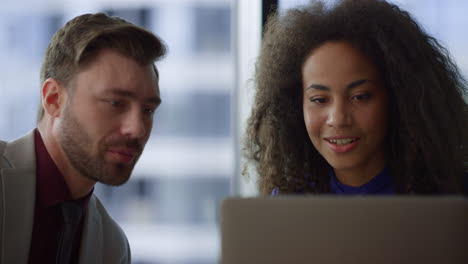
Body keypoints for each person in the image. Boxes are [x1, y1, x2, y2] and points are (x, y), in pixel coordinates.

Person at [244, 0, 468, 196]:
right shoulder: (286, 207)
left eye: (360, 97)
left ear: (399, 100)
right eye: (319, 99)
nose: (338, 118)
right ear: (295, 107)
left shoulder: (452, 201)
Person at [0, 13, 166, 263]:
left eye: (147, 110)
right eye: (115, 102)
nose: (137, 129)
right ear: (54, 99)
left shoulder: (113, 246)